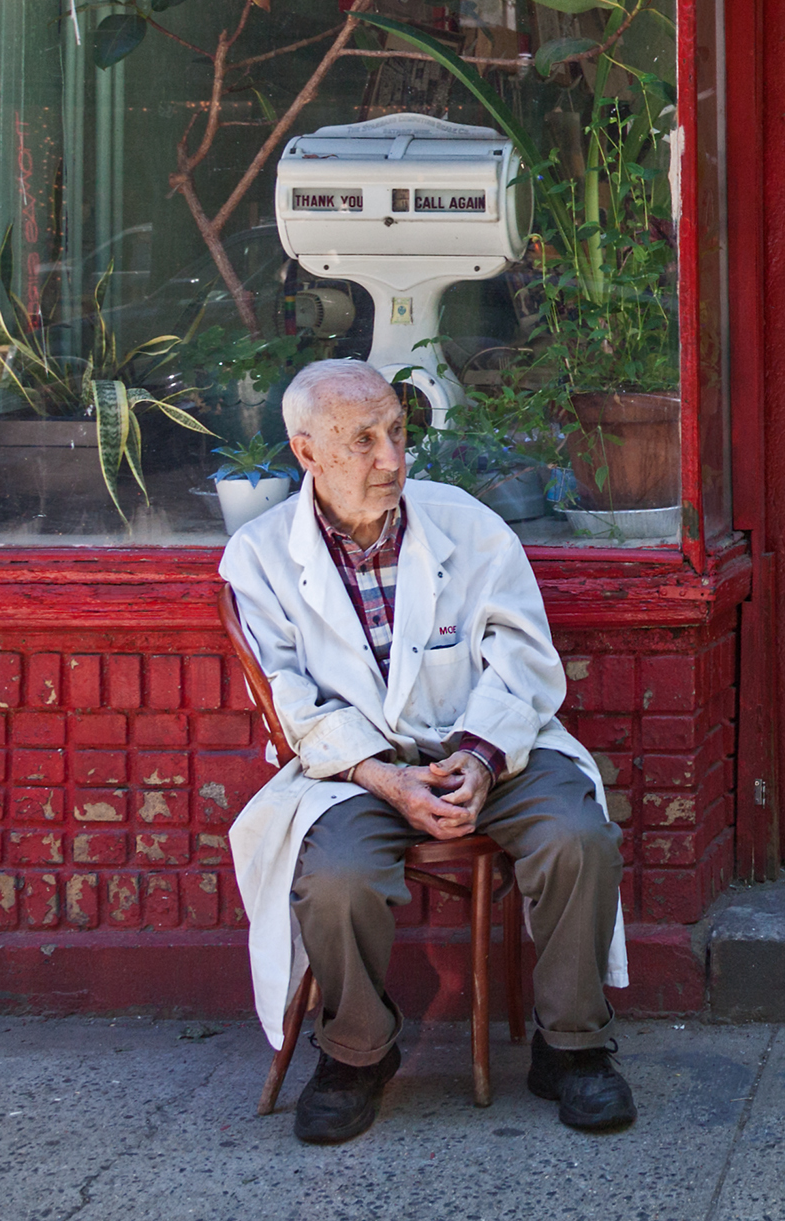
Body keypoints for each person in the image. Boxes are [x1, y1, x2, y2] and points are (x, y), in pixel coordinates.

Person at [220, 358, 634, 1144]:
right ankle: (357, 1053)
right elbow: (287, 701)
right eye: (364, 439)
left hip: (488, 746)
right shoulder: (261, 554)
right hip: (358, 771)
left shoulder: (466, 523)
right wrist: (386, 777)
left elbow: (522, 657)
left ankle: (572, 1046)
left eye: (399, 432)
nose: (392, 458)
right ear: (307, 452)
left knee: (577, 840)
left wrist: (478, 758)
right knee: (336, 878)